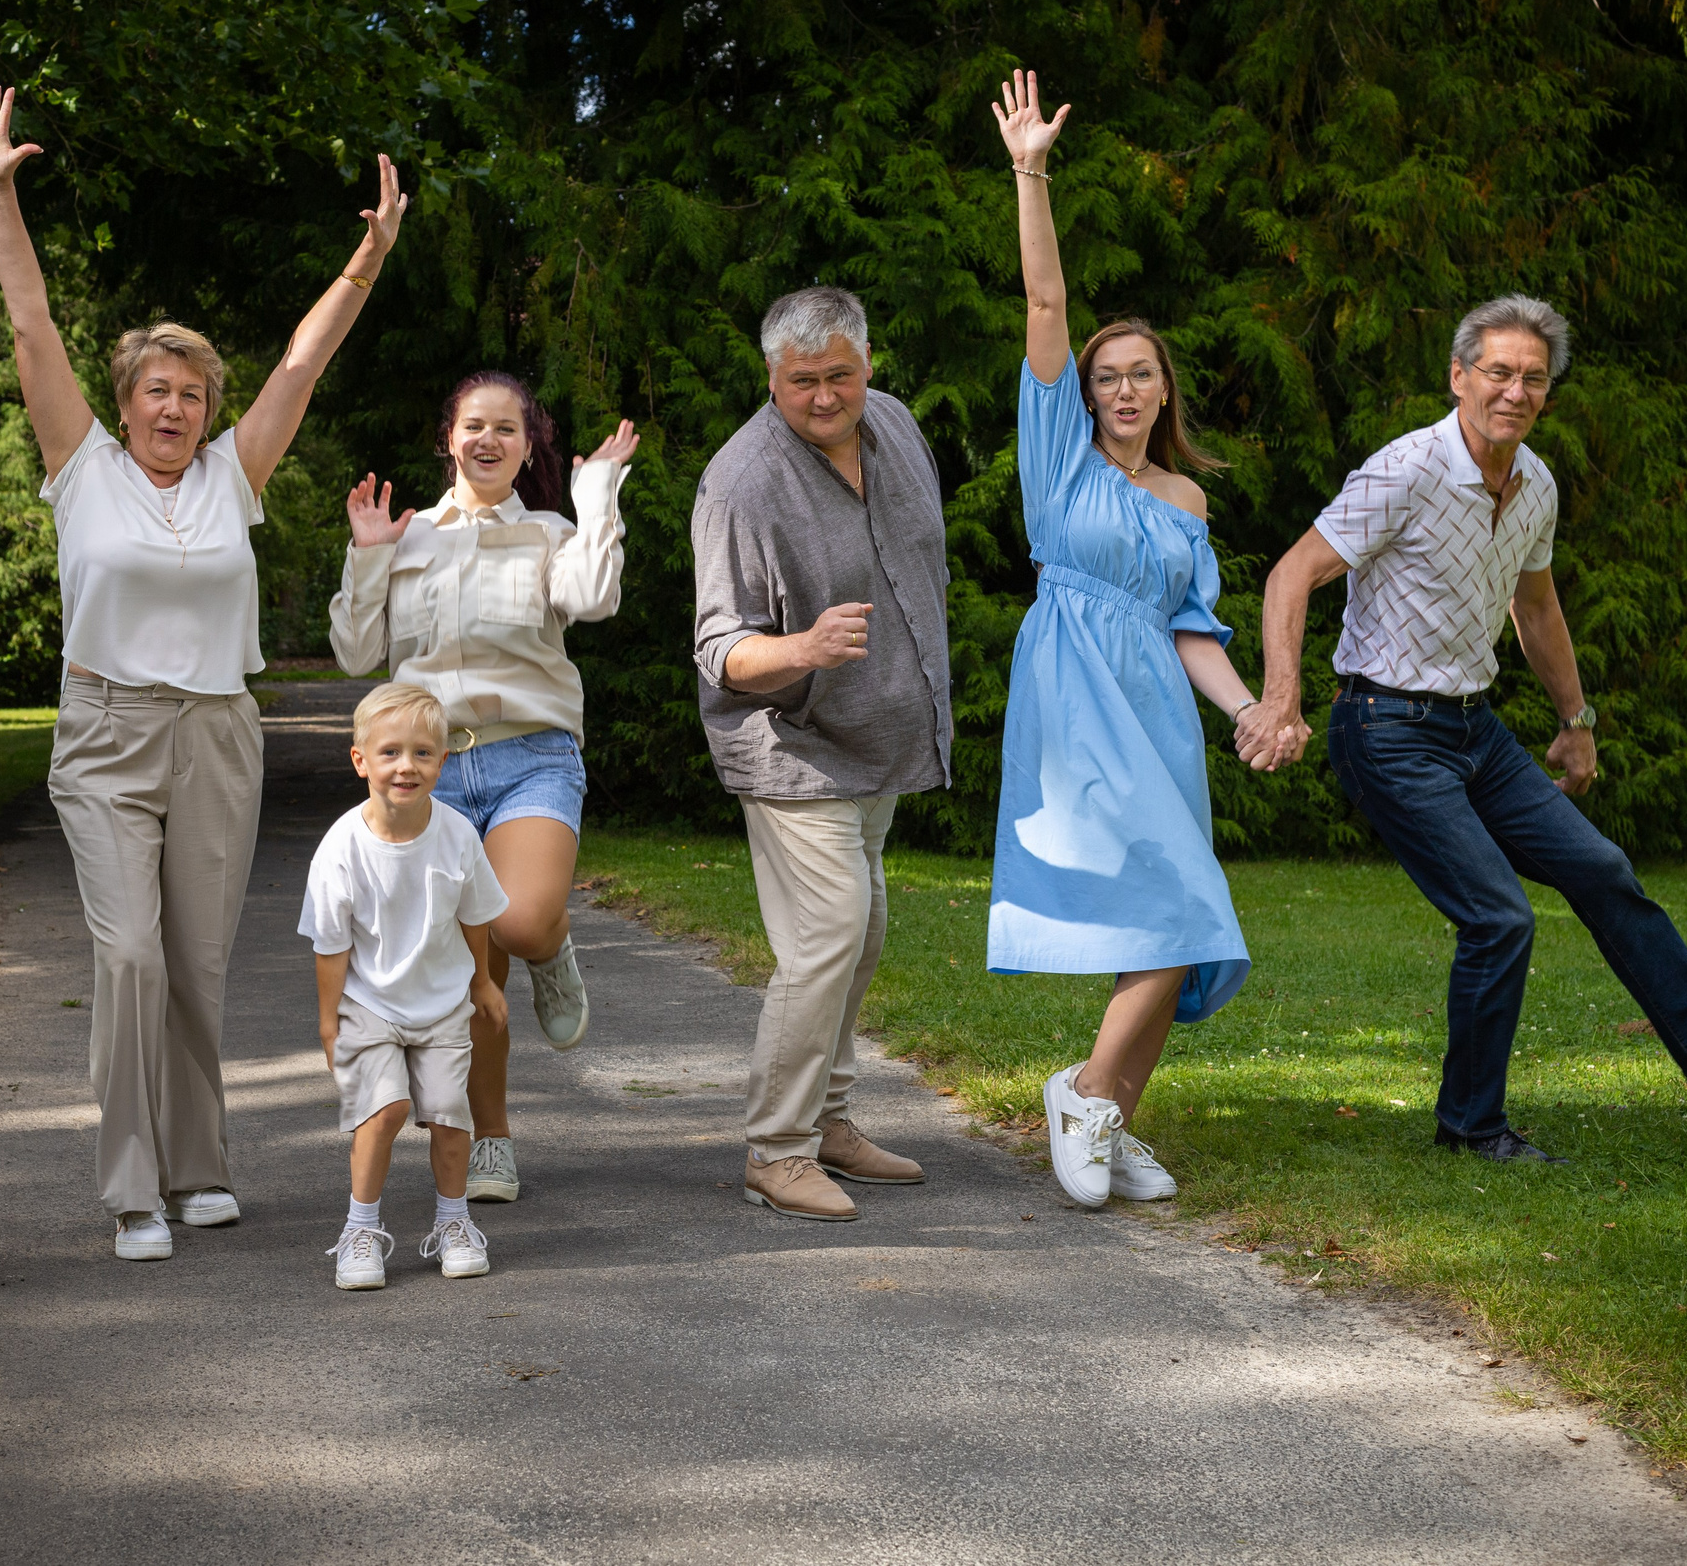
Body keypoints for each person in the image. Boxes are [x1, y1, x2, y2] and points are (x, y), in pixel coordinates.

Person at [0, 84, 409, 1259]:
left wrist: (366, 261)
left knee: (199, 966)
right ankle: (130, 1190)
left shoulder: (231, 476)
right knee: (127, 956)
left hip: (217, 731)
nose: (175, 406)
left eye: (193, 393)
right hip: (105, 731)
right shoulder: (81, 465)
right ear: (123, 405)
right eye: (156, 390)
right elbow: (31, 329)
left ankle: (200, 1165)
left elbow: (302, 367)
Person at [1239, 294, 1687, 1162]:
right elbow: (1291, 575)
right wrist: (1282, 695)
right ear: (1459, 377)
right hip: (1385, 726)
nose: (1515, 390)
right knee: (1498, 916)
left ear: (1546, 391)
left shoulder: (1536, 483)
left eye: (1533, 377)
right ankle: (1472, 1126)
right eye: (1498, 372)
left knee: (1601, 867)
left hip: (1476, 732)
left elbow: (1536, 604)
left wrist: (1576, 720)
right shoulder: (1404, 470)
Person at [985, 73, 1302, 1207]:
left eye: (1139, 374)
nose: (1120, 386)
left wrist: (1250, 712)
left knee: (1166, 924)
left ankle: (1113, 1121)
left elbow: (1192, 632)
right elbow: (1044, 306)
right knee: (1180, 908)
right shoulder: (1055, 457)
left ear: (1165, 389)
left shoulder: (1185, 501)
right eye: (1106, 375)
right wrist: (1031, 176)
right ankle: (1086, 1095)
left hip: (1159, 714)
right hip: (1075, 700)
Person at [329, 377, 636, 1204]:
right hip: (429, 775)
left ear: (527, 447)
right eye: (474, 426)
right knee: (471, 981)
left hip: (530, 755)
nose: (489, 440)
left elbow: (590, 597)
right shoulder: (408, 535)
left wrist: (597, 491)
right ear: (449, 438)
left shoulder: (548, 533)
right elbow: (359, 654)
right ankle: (492, 1136)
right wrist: (367, 553)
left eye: (507, 428)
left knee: (523, 919)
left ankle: (553, 947)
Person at [691, 285, 951, 1222]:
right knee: (826, 937)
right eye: (802, 381)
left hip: (877, 743)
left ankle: (830, 1123)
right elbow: (719, 647)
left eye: (840, 374)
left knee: (862, 935)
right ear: (772, 376)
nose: (824, 396)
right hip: (792, 746)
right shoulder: (742, 482)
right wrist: (801, 648)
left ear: (869, 363)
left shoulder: (894, 426)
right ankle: (778, 1147)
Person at [300, 683, 511, 1290]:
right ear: (360, 760)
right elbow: (330, 943)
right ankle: (360, 1230)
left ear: (443, 762)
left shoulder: (457, 835)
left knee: (450, 1118)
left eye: (423, 753)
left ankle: (454, 1222)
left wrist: (483, 984)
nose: (406, 766)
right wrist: (328, 1018)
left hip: (442, 1002)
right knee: (383, 1109)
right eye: (390, 752)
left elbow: (475, 916)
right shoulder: (342, 848)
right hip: (368, 1002)